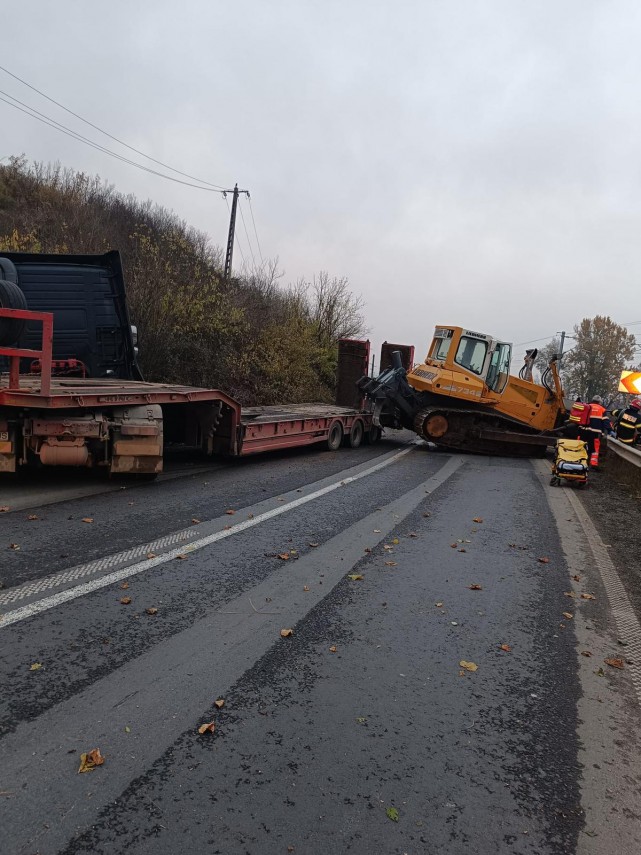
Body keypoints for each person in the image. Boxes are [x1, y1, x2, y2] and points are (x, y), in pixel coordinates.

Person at [586, 395, 608, 468]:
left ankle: (582, 461)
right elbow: (605, 422)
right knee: (595, 449)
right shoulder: (602, 409)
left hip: (585, 431)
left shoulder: (587, 406)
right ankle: (593, 464)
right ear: (599, 402)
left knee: (583, 446)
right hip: (596, 433)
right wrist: (610, 430)